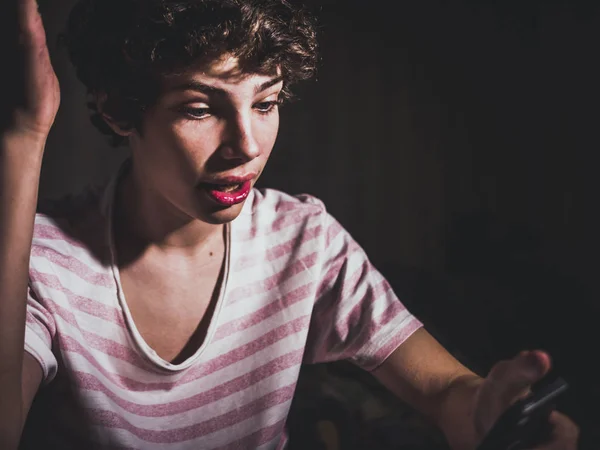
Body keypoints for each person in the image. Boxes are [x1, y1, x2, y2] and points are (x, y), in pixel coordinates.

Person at [0, 0, 579, 448]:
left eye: (266, 102)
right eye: (200, 109)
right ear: (118, 110)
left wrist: (482, 415)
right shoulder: (42, 259)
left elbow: (447, 391)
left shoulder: (303, 241)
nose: (246, 146)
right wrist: (23, 139)